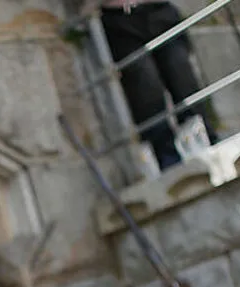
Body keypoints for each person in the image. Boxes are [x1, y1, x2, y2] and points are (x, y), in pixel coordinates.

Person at [90, 0, 217, 168]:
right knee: (145, 85)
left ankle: (204, 138)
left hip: (159, 9)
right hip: (119, 17)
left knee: (181, 73)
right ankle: (166, 155)